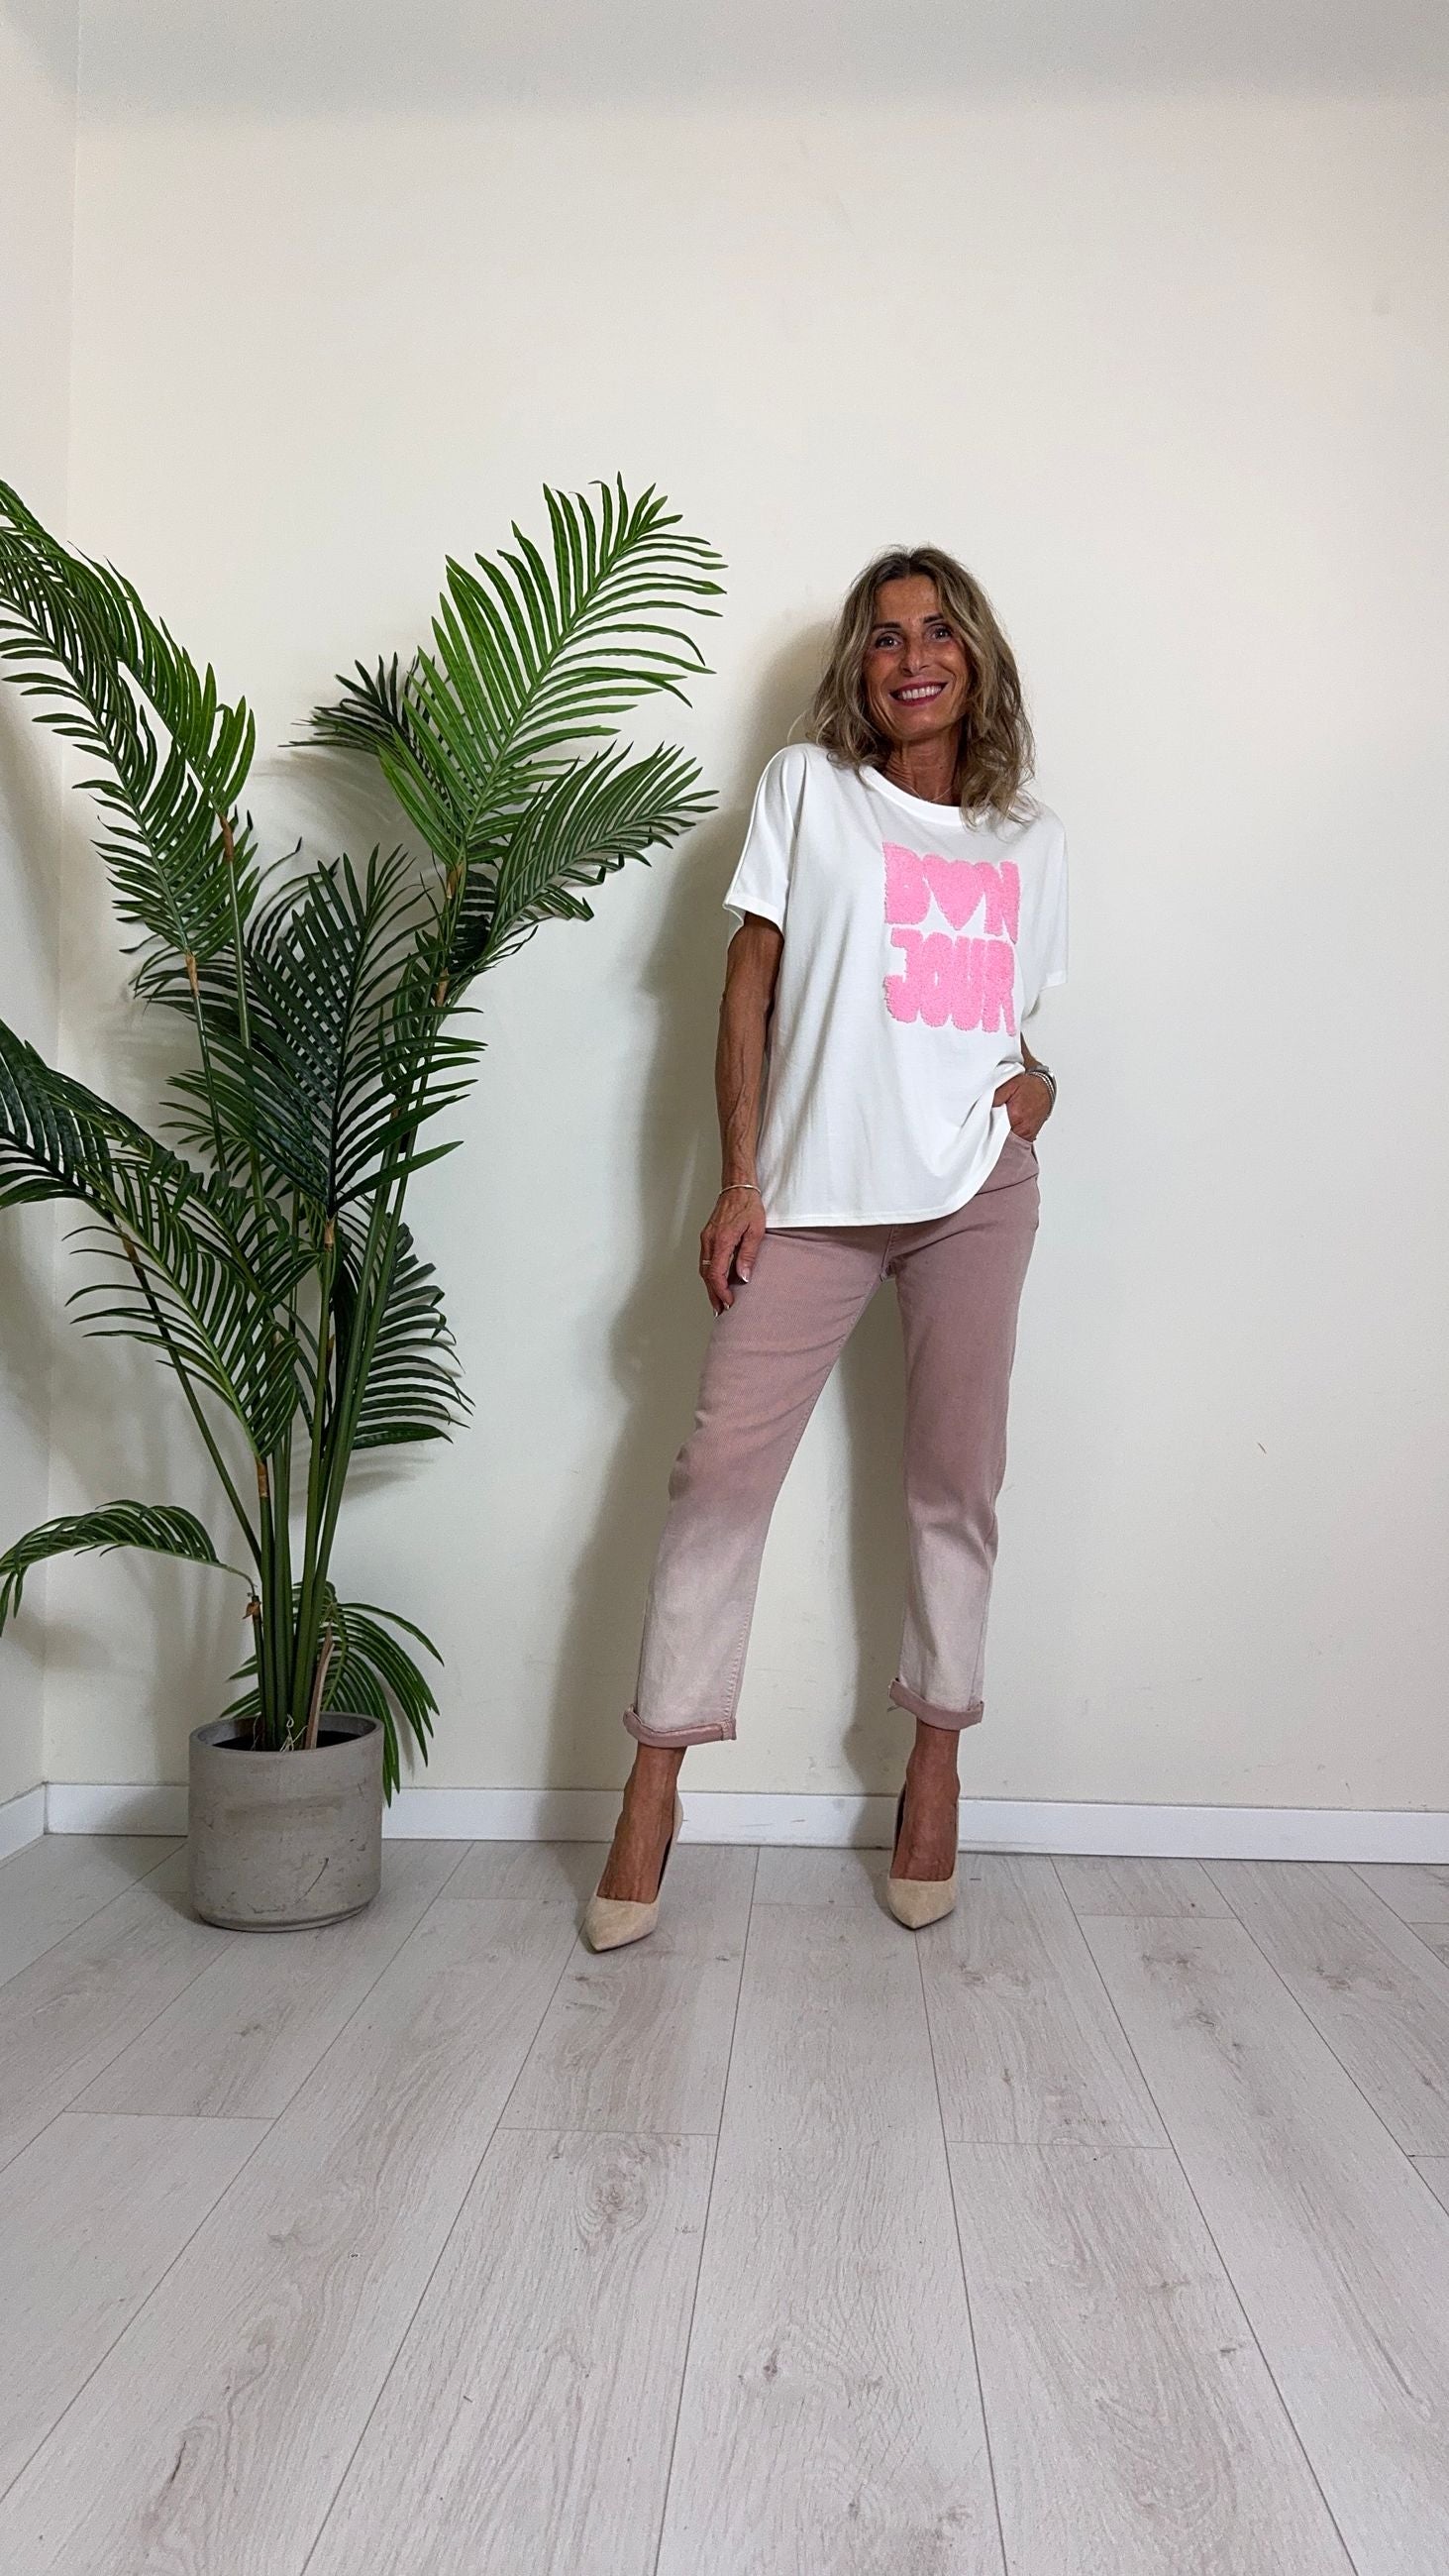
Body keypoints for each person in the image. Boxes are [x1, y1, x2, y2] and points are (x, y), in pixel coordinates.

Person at [584, 546, 1068, 1951]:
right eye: (887, 636)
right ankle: (652, 1788)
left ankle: (936, 1765)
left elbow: (998, 1025)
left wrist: (1039, 1088)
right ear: (861, 666)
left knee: (956, 1481)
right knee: (719, 1474)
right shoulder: (808, 789)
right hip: (809, 1198)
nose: (914, 657)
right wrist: (740, 1180)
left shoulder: (1030, 838)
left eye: (940, 632)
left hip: (978, 1189)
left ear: (977, 660)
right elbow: (749, 980)